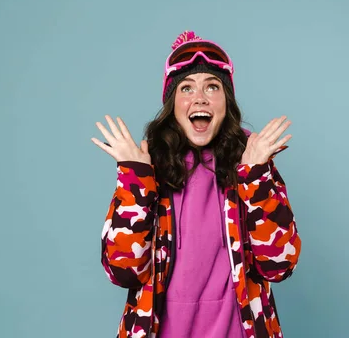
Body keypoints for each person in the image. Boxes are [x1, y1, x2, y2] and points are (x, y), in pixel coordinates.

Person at [91, 31, 302, 338]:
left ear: (226, 102)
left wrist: (255, 175)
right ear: (172, 105)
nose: (200, 97)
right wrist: (135, 179)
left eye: (212, 87)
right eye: (186, 88)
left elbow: (279, 266)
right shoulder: (149, 166)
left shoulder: (250, 163)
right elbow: (123, 272)